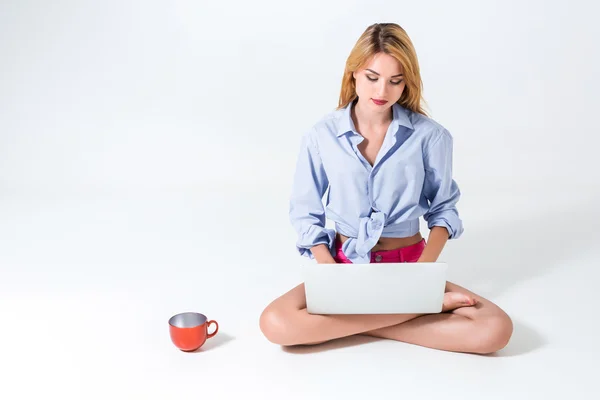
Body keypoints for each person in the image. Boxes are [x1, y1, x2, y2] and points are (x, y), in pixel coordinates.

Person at [259, 23, 513, 354]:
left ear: (407, 81)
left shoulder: (430, 136)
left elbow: (444, 210)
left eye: (396, 81)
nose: (383, 91)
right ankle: (418, 313)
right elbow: (306, 212)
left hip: (409, 263)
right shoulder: (320, 136)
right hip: (343, 265)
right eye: (372, 77)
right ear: (353, 75)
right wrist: (331, 274)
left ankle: (348, 325)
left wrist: (423, 276)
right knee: (275, 322)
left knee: (495, 329)